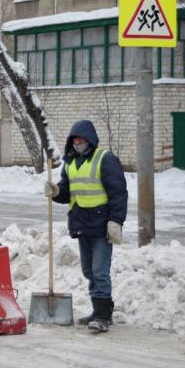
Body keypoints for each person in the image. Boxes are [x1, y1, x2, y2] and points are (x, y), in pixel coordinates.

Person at [44, 120, 127, 333]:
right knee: (89, 270)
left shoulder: (104, 159)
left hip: (101, 225)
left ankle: (103, 316)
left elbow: (118, 193)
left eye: (81, 139)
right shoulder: (71, 163)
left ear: (90, 139)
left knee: (100, 271)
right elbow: (66, 191)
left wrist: (115, 221)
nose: (78, 142)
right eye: (75, 139)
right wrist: (55, 192)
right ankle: (97, 309)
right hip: (81, 224)